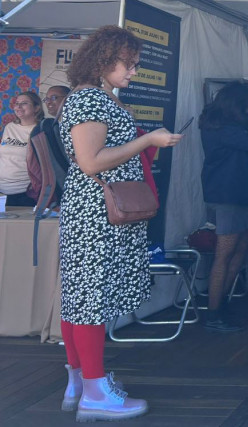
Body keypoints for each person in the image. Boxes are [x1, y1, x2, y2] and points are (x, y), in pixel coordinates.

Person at [57, 25, 182, 421]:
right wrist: (147, 141)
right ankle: (94, 391)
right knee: (89, 301)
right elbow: (90, 161)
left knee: (80, 299)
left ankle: (80, 382)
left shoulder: (95, 98)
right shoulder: (89, 100)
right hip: (97, 215)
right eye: (129, 64)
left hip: (97, 212)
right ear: (104, 61)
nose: (134, 72)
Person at [199, 82, 248, 333]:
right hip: (228, 194)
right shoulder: (224, 129)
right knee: (225, 253)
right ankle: (214, 312)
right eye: (247, 104)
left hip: (231, 192)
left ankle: (220, 303)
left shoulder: (218, 123)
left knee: (242, 245)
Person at [27, 86, 71, 205]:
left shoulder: (76, 125)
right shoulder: (47, 128)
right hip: (56, 189)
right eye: (46, 99)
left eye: (54, 97)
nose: (49, 102)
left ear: (68, 98)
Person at [0, 91, 44, 206]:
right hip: (2, 191)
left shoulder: (40, 130)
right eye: (17, 103)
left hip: (25, 193)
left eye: (24, 103)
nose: (18, 107)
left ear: (36, 108)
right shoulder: (10, 127)